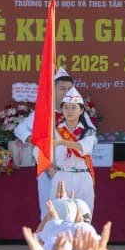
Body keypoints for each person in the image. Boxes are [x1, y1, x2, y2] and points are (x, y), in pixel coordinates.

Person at [13, 67, 84, 217]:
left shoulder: (79, 112)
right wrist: (35, 140)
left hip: (73, 170)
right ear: (54, 90)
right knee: (49, 211)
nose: (66, 92)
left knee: (73, 210)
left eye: (69, 89)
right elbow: (20, 129)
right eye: (62, 89)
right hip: (48, 170)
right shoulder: (44, 112)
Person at [48, 86, 97, 213]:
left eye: (74, 107)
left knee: (84, 217)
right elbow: (41, 151)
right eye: (66, 107)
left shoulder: (88, 131)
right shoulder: (55, 131)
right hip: (61, 175)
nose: (69, 111)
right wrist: (49, 168)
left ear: (81, 110)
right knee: (59, 217)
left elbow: (82, 148)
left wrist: (61, 142)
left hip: (83, 176)